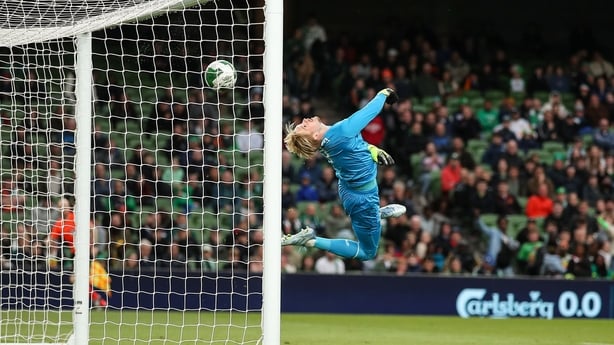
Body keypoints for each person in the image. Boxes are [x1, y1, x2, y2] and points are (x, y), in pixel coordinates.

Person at [282, 88, 406, 260]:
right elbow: (369, 112)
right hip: (363, 197)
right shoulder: (341, 132)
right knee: (367, 253)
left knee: (367, 225)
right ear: (316, 135)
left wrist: (372, 150)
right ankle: (312, 241)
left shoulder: (330, 140)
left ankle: (376, 215)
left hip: (351, 190)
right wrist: (384, 94)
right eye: (304, 126)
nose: (304, 120)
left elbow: (354, 148)